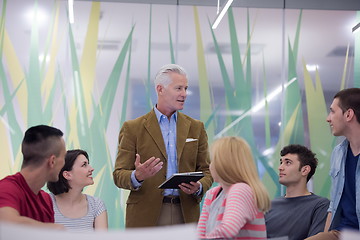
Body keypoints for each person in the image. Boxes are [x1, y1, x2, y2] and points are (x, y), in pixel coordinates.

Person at [113, 64, 213, 228]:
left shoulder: (197, 128)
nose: (184, 94)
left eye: (186, 88)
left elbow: (206, 170)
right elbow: (118, 174)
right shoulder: (133, 128)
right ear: (160, 89)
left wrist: (199, 186)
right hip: (145, 215)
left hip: (186, 213)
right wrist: (137, 176)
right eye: (178, 88)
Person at [306, 88, 360, 240]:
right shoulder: (338, 153)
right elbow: (333, 205)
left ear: (348, 114)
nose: (328, 119)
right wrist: (325, 234)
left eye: (332, 112)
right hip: (342, 233)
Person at [197, 136, 270, 239]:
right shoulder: (212, 194)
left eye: (213, 160)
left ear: (223, 164)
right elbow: (200, 234)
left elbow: (228, 230)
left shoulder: (240, 190)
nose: (210, 166)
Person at [0, 125, 66, 229]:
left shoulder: (46, 200)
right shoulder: (6, 188)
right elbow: (7, 223)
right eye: (64, 157)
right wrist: (54, 229)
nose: (64, 163)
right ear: (52, 161)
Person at [265, 144, 330, 240]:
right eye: (281, 162)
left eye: (288, 163)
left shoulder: (320, 205)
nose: (280, 167)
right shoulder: (269, 206)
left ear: (305, 170)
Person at [47, 149, 108, 232]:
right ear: (67, 175)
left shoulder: (96, 205)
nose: (91, 169)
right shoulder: (46, 203)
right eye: (84, 165)